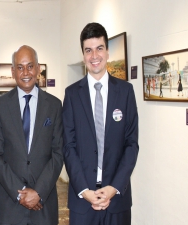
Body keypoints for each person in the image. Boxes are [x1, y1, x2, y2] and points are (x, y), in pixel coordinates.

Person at [62, 22, 139, 225]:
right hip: (82, 200)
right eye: (88, 50)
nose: (94, 56)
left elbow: (131, 144)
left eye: (99, 48)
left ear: (107, 51)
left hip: (117, 200)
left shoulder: (125, 92)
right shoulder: (71, 94)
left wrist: (114, 187)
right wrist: (85, 190)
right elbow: (68, 146)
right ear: (83, 54)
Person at [0, 45, 63, 225]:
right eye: (20, 67)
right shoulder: (0, 106)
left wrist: (38, 192)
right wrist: (20, 192)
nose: (25, 72)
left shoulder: (54, 105)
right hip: (9, 204)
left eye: (30, 66)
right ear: (13, 71)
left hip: (43, 204)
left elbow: (58, 153)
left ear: (38, 68)